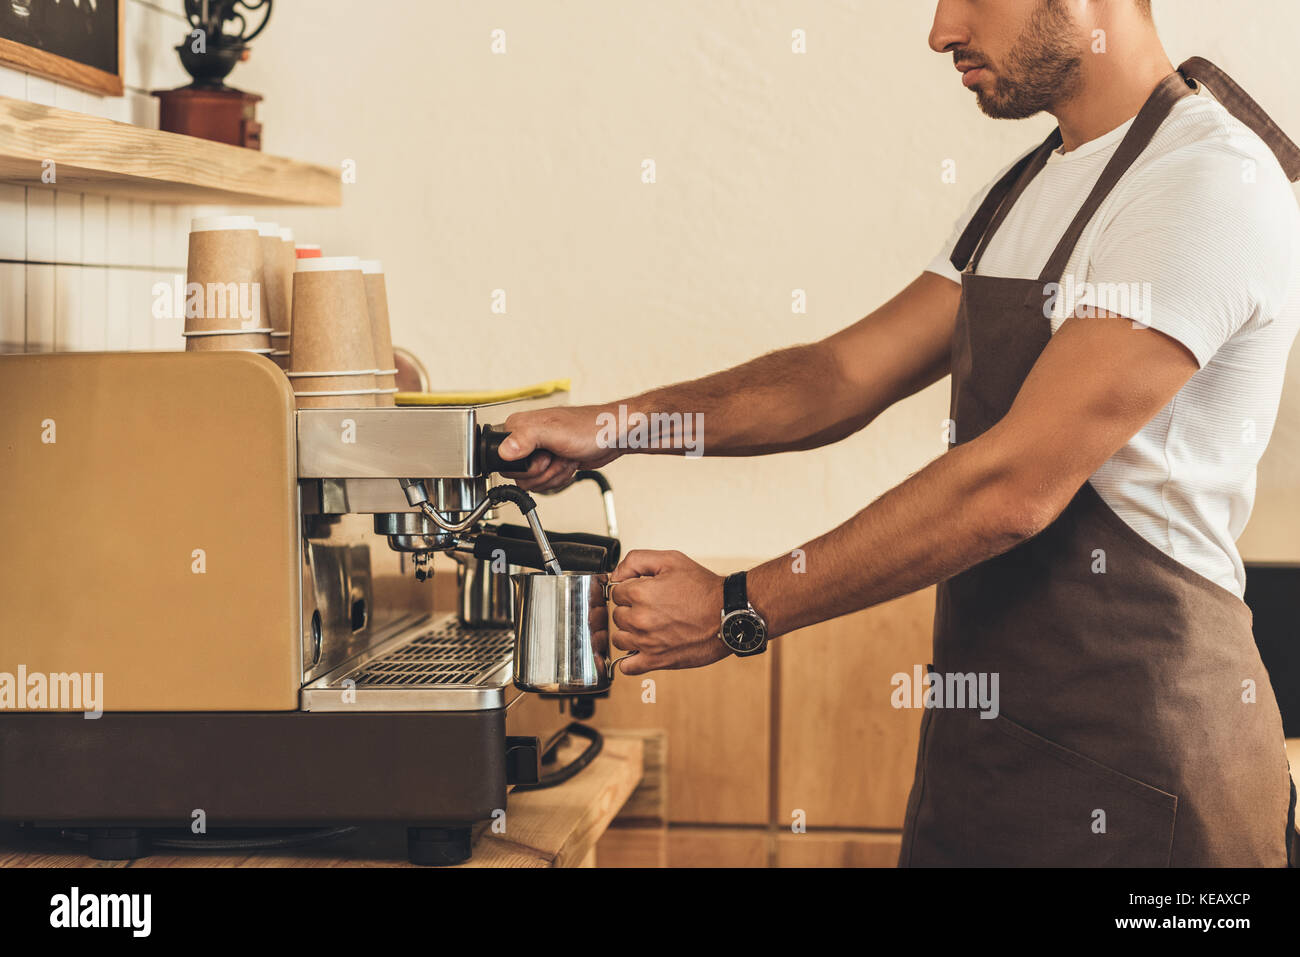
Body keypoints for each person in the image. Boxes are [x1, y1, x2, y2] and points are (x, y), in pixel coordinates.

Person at [499, 0, 1300, 866]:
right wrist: (615, 426)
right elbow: (839, 378)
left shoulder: (1201, 182)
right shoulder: (1027, 186)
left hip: (1151, 783)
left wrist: (737, 609)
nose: (941, 30)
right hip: (987, 765)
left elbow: (1010, 486)